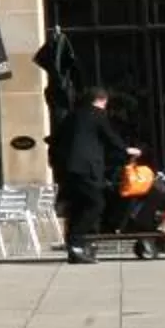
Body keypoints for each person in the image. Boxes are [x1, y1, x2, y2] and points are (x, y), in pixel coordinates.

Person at [50, 86, 127, 260]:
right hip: (86, 168)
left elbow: (53, 139)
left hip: (67, 169)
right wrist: (126, 150)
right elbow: (110, 137)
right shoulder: (98, 115)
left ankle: (75, 248)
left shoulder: (71, 116)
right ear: (102, 101)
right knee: (96, 203)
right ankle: (76, 243)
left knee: (78, 206)